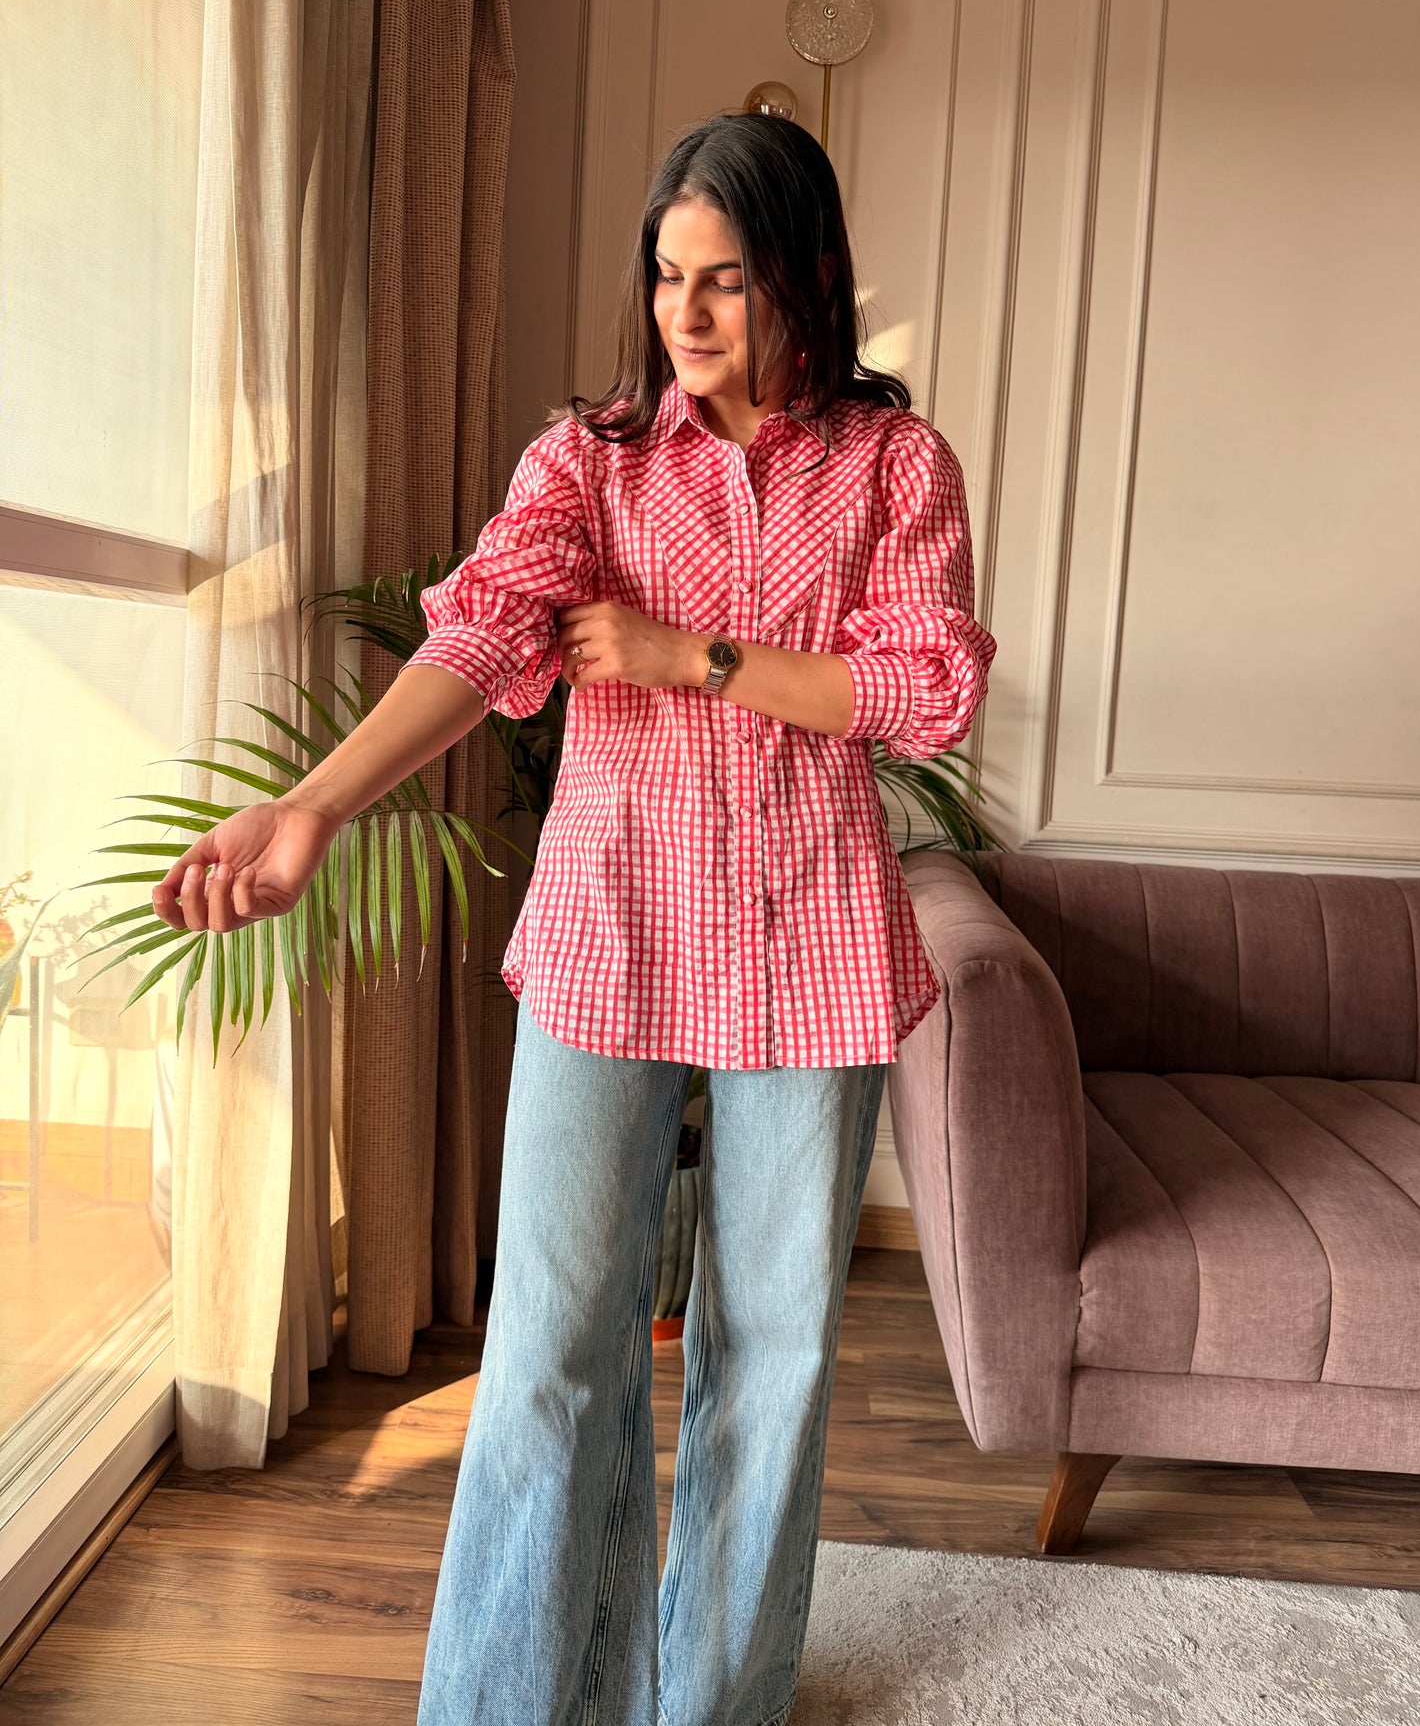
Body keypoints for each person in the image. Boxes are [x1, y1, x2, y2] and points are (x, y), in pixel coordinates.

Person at [151, 111, 997, 1726]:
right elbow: (477, 640)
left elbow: (923, 688)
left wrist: (699, 661)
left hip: (812, 944)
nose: (686, 315)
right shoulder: (586, 461)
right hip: (612, 931)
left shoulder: (897, 467)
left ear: (807, 275)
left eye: (727, 280)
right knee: (550, 1348)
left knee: (776, 1358)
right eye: (668, 275)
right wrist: (315, 807)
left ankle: (715, 1708)